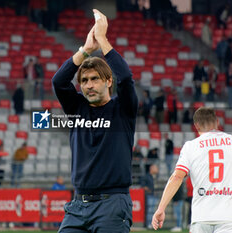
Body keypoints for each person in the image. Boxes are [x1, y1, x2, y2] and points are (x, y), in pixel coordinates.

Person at [52, 9, 138, 232]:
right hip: (78, 205)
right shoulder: (77, 107)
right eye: (84, 80)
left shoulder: (123, 109)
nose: (88, 85)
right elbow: (59, 81)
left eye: (95, 79)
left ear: (109, 81)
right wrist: (85, 51)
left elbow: (127, 78)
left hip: (112, 204)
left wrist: (103, 41)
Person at [152, 107, 232, 232]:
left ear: (196, 126)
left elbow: (177, 177)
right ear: (217, 122)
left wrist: (161, 208)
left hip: (201, 217)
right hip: (230, 217)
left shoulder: (191, 146)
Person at [141, 164, 159, 229]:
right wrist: (148, 189)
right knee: (150, 210)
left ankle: (153, 224)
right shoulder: (147, 176)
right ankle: (149, 224)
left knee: (154, 210)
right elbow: (143, 185)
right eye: (155, 168)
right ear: (151, 169)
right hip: (150, 195)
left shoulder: (156, 176)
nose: (157, 169)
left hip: (155, 195)